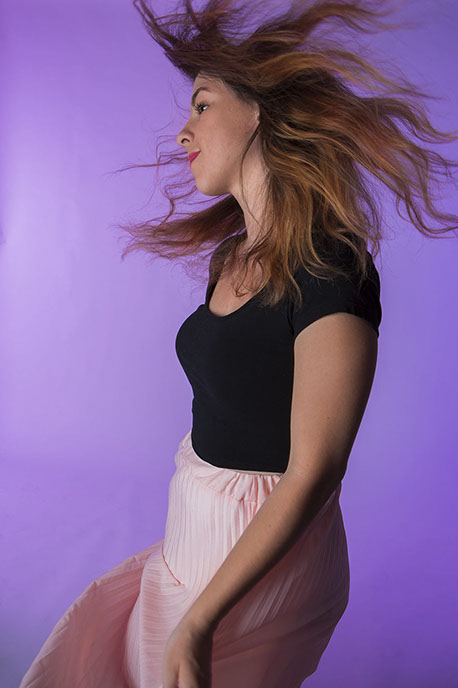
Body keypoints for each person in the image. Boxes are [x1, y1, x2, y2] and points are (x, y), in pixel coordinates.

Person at [19, 0, 458, 686]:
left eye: (202, 105)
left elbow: (315, 470)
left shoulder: (329, 268)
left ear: (257, 113)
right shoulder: (231, 258)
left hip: (259, 562)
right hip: (192, 537)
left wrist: (200, 622)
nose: (183, 131)